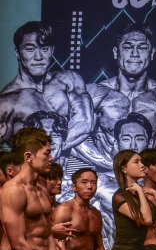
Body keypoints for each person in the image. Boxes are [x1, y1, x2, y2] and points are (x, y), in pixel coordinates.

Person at [81, 23, 156, 170]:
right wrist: (111, 165)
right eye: (128, 47)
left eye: (142, 47)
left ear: (151, 54)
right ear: (116, 52)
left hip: (148, 178)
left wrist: (151, 166)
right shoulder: (94, 94)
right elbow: (71, 137)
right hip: (105, 175)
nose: (135, 53)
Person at [0, 23, 93, 158]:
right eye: (30, 49)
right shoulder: (7, 101)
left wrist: (51, 146)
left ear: (52, 50)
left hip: (68, 170)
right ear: (18, 53)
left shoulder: (68, 81)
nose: (38, 57)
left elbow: (85, 124)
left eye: (44, 48)